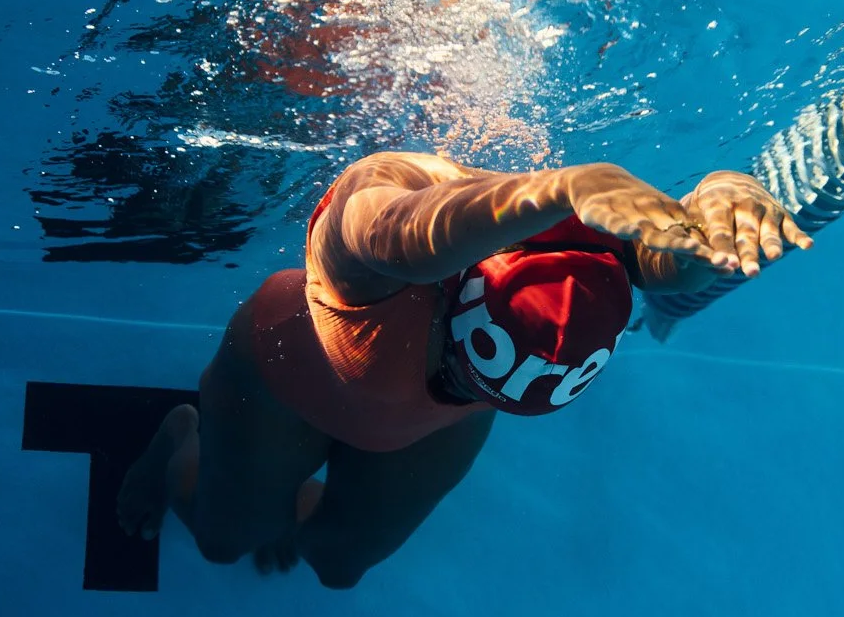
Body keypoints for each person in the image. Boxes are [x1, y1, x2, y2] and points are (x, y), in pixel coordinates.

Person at [117, 152, 808, 587]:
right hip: (281, 383)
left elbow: (672, 256)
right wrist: (564, 188)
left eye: (484, 393)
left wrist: (726, 193)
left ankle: (282, 509)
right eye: (456, 372)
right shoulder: (373, 258)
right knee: (225, 542)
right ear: (451, 302)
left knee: (339, 565)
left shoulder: (590, 262)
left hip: (414, 425)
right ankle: (182, 438)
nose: (448, 390)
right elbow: (381, 226)